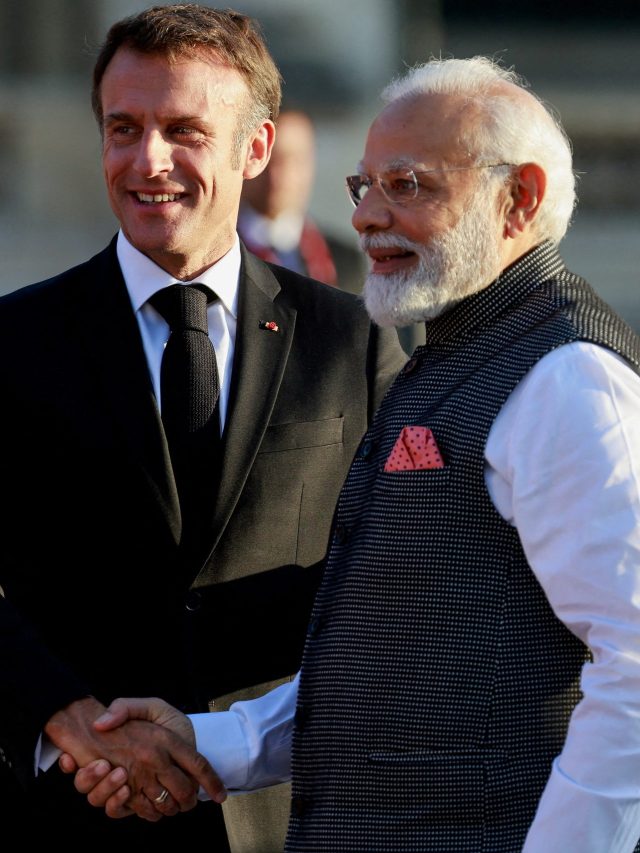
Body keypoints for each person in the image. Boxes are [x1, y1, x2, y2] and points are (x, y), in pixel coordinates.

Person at [72, 55, 640, 852]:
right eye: (363, 186)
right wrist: (214, 741)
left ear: (520, 200)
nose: (369, 216)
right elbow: (385, 654)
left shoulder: (565, 378)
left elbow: (636, 671)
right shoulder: (450, 351)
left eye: (409, 185)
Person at [0, 3, 405, 849]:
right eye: (124, 128)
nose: (148, 161)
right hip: (63, 812)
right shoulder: (14, 342)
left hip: (285, 818)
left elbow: (394, 575)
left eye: (184, 129)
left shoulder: (352, 343)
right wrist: (64, 719)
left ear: (255, 148)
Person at [237, 108, 367, 296]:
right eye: (269, 158)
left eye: (294, 159)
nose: (279, 174)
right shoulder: (217, 253)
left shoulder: (344, 261)